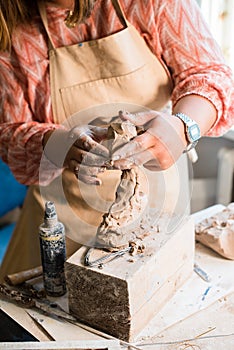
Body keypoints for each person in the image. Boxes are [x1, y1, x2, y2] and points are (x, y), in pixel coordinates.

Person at [0, 0, 233, 280]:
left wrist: (183, 127)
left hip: (154, 211)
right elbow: (9, 132)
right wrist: (57, 142)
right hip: (57, 222)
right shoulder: (12, 27)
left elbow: (209, 75)